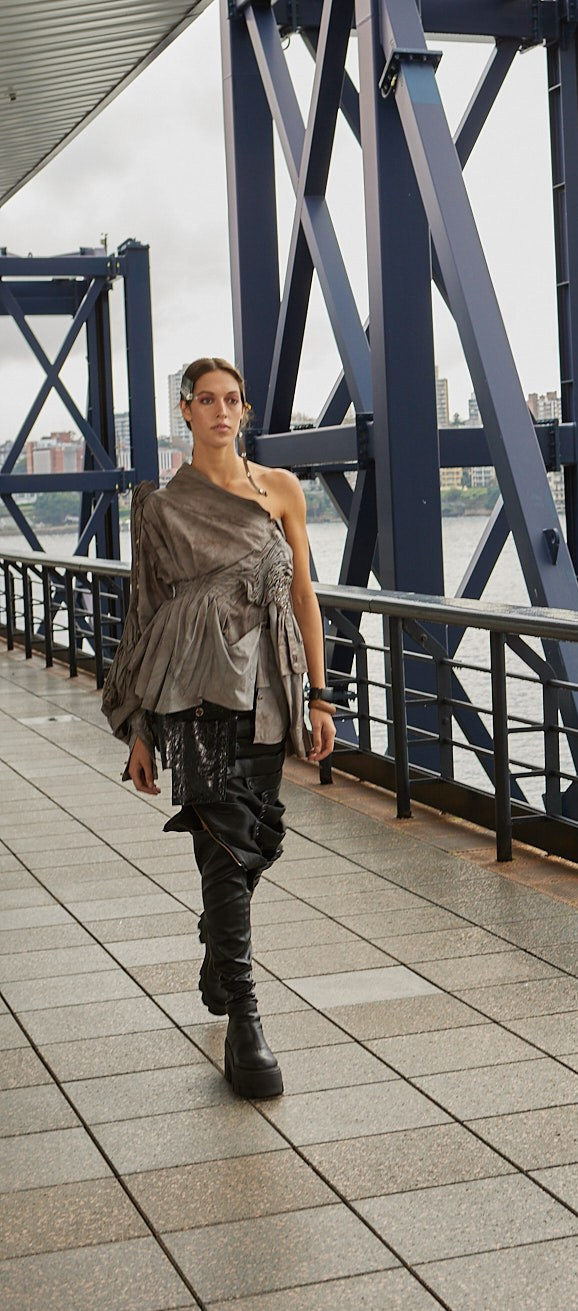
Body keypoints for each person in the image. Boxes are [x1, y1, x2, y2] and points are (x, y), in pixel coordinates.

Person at [103, 357, 335, 1098]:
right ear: (185, 410)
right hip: (194, 687)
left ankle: (215, 952)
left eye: (232, 399)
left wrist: (322, 697)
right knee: (225, 841)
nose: (221, 411)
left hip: (270, 681)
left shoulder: (283, 491)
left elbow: (303, 596)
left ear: (244, 410)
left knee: (257, 834)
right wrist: (141, 728)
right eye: (206, 400)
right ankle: (245, 1020)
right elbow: (143, 614)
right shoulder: (161, 507)